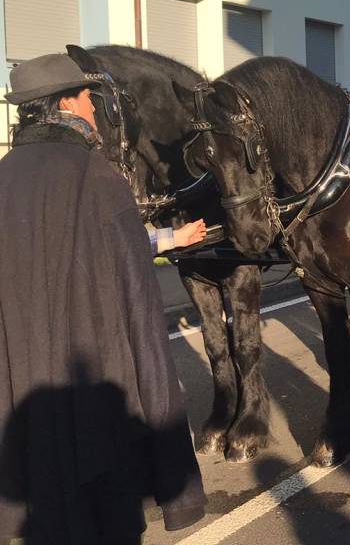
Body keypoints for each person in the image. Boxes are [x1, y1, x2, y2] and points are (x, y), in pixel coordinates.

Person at [0, 54, 205, 543]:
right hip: (96, 420)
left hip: (22, 405)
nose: (94, 108)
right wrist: (165, 437)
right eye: (89, 97)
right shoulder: (97, 179)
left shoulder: (3, 178)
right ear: (66, 102)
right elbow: (139, 310)